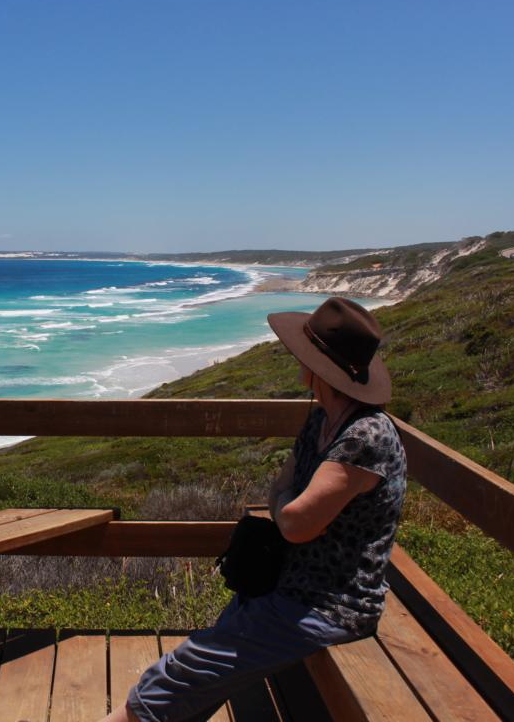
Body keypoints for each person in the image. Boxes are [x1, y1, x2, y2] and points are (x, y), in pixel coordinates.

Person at [100, 297, 407, 722]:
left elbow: (295, 523)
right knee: (204, 661)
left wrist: (286, 506)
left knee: (187, 666)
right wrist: (288, 505)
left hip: (332, 604)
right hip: (293, 585)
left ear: (319, 368)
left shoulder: (365, 437)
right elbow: (283, 494)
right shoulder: (322, 420)